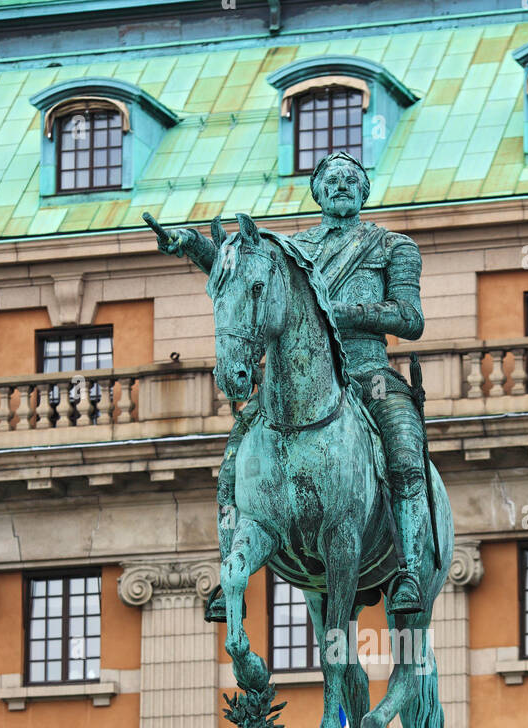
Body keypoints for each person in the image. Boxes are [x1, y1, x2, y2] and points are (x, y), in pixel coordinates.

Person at [148, 150, 430, 615]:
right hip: (298, 383)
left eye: (350, 180)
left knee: (404, 454)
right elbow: (243, 278)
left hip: (368, 373)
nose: (340, 185)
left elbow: (411, 319)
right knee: (233, 464)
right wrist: (194, 244)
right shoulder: (293, 249)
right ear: (316, 193)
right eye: (330, 180)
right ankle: (229, 575)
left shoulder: (392, 246)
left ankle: (409, 570)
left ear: (364, 192)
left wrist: (339, 314)